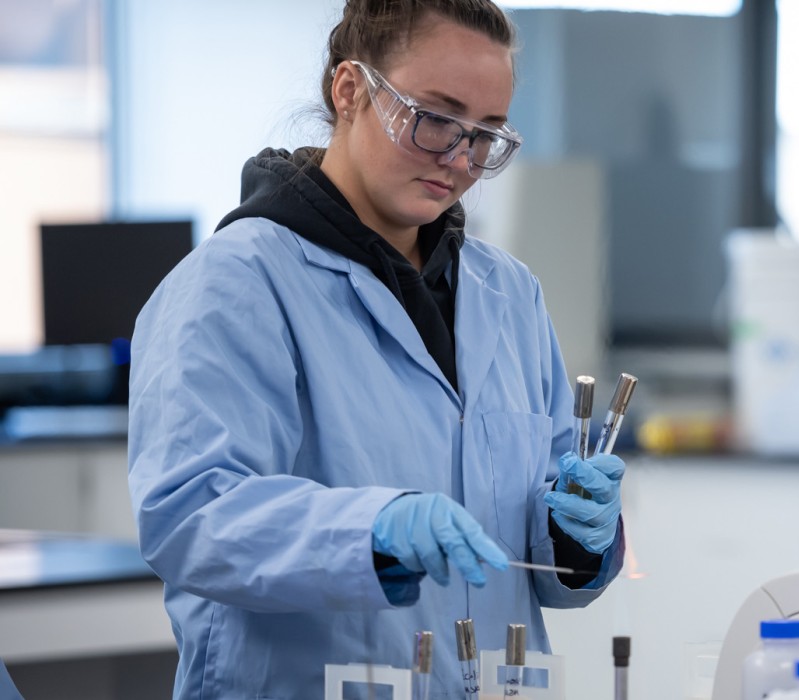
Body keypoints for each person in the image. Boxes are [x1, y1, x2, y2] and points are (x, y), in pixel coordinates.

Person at [126, 1, 626, 697]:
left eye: (485, 136)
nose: (458, 158)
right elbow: (190, 518)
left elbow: (532, 542)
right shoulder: (236, 283)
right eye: (434, 118)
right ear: (350, 91)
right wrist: (371, 530)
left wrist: (576, 538)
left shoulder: (508, 294)